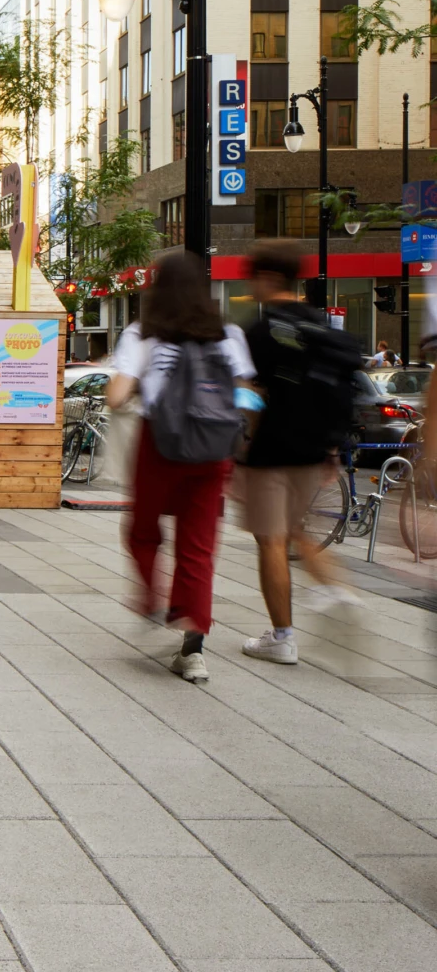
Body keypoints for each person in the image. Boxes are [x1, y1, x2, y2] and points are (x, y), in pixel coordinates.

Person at [107, 249, 255, 683]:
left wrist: (132, 391)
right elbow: (246, 396)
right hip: (213, 452)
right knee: (198, 546)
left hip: (162, 445)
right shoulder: (227, 334)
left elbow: (116, 397)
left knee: (142, 527)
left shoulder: (143, 334)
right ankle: (193, 650)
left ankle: (150, 595)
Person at [239, 240, 363, 664]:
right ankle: (336, 588)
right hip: (316, 450)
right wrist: (332, 447)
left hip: (273, 446)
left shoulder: (262, 330)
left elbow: (250, 394)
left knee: (270, 539)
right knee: (293, 528)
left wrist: (242, 440)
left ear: (270, 278)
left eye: (252, 278)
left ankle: (282, 637)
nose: (249, 286)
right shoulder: (323, 327)